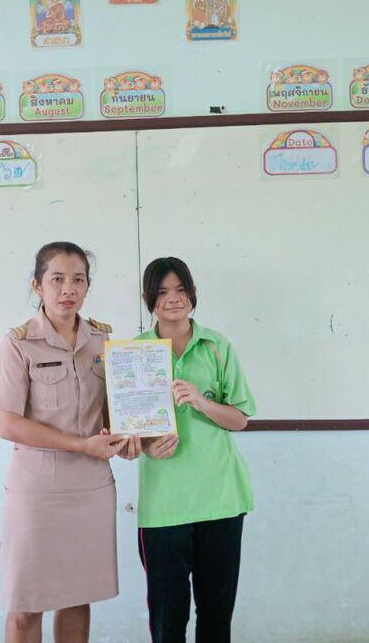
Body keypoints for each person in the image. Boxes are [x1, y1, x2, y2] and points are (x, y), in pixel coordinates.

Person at [0, 241, 141, 643]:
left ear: (88, 286)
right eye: (57, 279)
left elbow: (112, 416)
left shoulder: (103, 341)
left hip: (91, 488)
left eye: (78, 280)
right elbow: (8, 423)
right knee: (25, 607)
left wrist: (127, 440)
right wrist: (81, 445)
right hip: (36, 492)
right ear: (37, 285)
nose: (68, 289)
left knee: (76, 600)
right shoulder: (18, 343)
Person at [135, 256, 256, 643]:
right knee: (167, 621)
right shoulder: (133, 353)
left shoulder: (217, 345)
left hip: (221, 498)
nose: (173, 298)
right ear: (148, 298)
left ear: (193, 293)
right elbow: (125, 433)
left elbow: (240, 419)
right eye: (162, 291)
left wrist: (202, 402)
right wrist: (147, 445)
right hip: (164, 505)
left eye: (181, 289)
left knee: (216, 617)